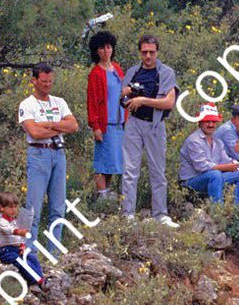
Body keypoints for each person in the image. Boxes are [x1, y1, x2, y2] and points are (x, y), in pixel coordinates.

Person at [119, 36, 179, 227]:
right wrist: (127, 94)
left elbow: (169, 102)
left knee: (157, 171)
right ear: (140, 52)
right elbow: (122, 99)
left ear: (157, 52)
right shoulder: (132, 72)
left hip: (155, 124)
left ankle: (160, 214)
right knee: (130, 170)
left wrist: (143, 100)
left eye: (151, 52)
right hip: (134, 123)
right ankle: (128, 213)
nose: (148, 56)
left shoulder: (166, 73)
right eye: (144, 52)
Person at [19, 63, 79, 250]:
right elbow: (35, 132)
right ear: (34, 81)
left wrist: (49, 124)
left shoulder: (59, 102)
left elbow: (73, 126)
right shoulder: (27, 104)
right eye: (44, 81)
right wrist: (60, 126)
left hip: (58, 152)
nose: (47, 85)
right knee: (33, 207)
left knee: (58, 207)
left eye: (50, 81)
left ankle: (54, 251)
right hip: (38, 153)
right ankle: (29, 251)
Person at [179, 105, 239, 205]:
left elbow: (226, 160)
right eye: (207, 121)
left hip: (212, 177)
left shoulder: (217, 141)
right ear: (200, 123)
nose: (211, 125)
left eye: (213, 122)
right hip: (191, 182)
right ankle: (217, 210)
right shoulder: (194, 140)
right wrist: (228, 167)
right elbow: (202, 166)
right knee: (215, 174)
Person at [86, 31, 125, 200]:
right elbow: (92, 102)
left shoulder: (117, 69)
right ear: (96, 50)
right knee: (102, 161)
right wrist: (95, 126)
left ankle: (107, 193)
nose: (106, 51)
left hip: (119, 122)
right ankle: (102, 195)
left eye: (108, 47)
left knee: (113, 161)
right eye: (102, 48)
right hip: (104, 124)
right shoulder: (96, 73)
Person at [0, 192, 41, 283]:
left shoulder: (15, 221)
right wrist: (21, 232)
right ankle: (35, 280)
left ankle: (40, 277)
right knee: (22, 262)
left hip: (16, 249)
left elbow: (19, 239)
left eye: (15, 207)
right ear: (2, 208)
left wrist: (22, 245)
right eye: (11, 207)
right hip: (6, 251)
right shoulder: (2, 222)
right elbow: (11, 230)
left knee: (32, 258)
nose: (14, 210)